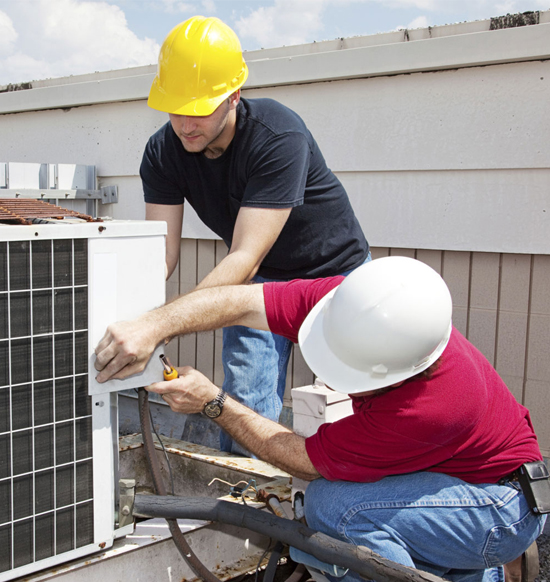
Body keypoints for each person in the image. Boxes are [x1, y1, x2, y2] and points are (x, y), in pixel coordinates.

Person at [95, 256, 547, 582]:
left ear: (401, 374)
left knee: (335, 508)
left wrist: (213, 402)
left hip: (498, 510)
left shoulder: (429, 407)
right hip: (463, 480)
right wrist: (154, 325)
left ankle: (472, 564)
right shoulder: (351, 305)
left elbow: (303, 460)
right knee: (340, 523)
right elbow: (236, 301)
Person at [137, 15, 369, 453]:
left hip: (337, 276)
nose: (186, 124)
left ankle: (350, 499)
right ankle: (250, 506)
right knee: (243, 402)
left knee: (359, 397)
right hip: (261, 283)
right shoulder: (162, 152)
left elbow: (245, 255)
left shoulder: (277, 134)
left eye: (201, 108)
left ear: (234, 96)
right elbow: (161, 255)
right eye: (176, 108)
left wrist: (160, 326)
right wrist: (134, 316)